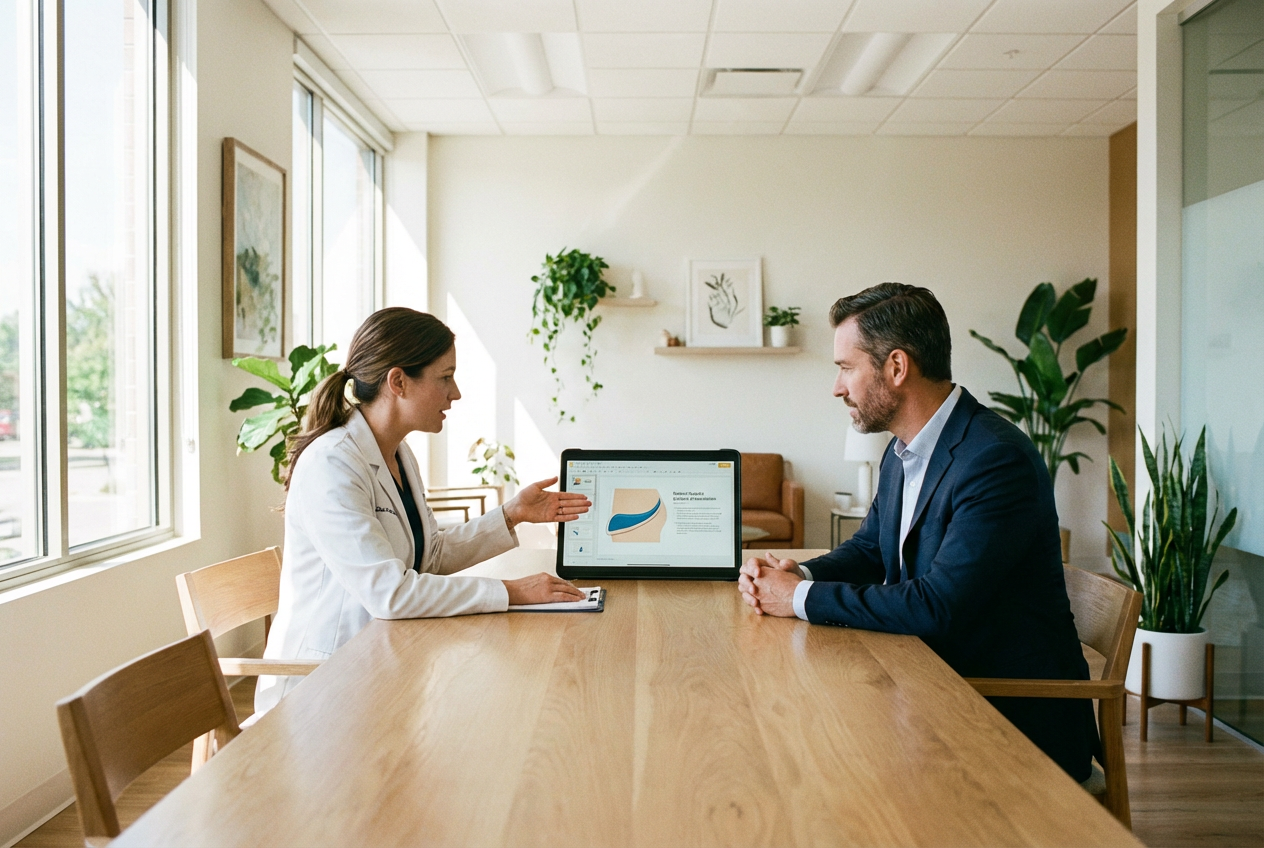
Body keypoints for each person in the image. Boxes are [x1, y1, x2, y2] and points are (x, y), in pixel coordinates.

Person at [737, 283, 1098, 784]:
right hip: (933, 683)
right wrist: (799, 570)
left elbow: (937, 605)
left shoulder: (994, 459)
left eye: (845, 368)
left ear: (897, 367)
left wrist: (798, 597)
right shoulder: (903, 450)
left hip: (1007, 715)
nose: (837, 387)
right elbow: (870, 548)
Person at [256, 307, 590, 716]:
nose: (456, 393)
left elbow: (429, 556)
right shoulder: (332, 464)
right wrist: (513, 592)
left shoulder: (397, 453)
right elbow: (390, 593)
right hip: (321, 687)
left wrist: (511, 514)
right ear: (398, 382)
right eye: (445, 377)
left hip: (382, 661)